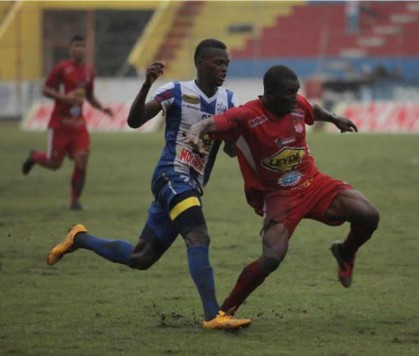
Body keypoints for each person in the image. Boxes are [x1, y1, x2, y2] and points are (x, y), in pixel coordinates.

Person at [45, 39, 251, 330]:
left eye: (226, 64)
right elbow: (134, 120)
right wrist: (146, 85)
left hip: (191, 184)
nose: (224, 69)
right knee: (198, 236)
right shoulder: (176, 91)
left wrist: (236, 136)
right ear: (200, 62)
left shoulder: (229, 101)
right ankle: (212, 316)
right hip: (171, 174)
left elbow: (230, 149)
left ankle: (79, 238)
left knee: (140, 257)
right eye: (218, 63)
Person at [184, 65, 380, 321]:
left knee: (369, 215)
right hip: (278, 195)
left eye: (296, 91)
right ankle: (224, 312)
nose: (295, 97)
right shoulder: (246, 115)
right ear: (269, 93)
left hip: (313, 182)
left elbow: (313, 109)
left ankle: (345, 252)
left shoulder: (295, 104)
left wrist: (334, 118)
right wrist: (194, 132)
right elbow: (210, 123)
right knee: (272, 257)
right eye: (289, 93)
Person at [21, 35, 113, 210]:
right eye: (76, 45)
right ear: (71, 49)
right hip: (59, 125)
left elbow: (90, 96)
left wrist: (102, 108)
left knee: (82, 158)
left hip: (78, 125)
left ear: (86, 49)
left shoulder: (88, 72)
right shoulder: (62, 69)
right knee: (54, 164)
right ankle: (35, 156)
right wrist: (64, 98)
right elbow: (46, 89)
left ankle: (75, 201)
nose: (79, 49)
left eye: (82, 46)